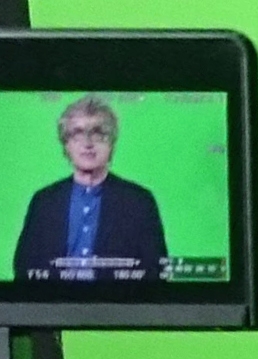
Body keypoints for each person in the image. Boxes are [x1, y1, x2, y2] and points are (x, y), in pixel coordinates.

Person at [12, 96, 168, 285]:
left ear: (111, 144)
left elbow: (156, 272)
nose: (88, 143)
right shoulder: (44, 201)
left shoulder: (139, 201)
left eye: (98, 133)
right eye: (77, 133)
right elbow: (24, 268)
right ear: (66, 145)